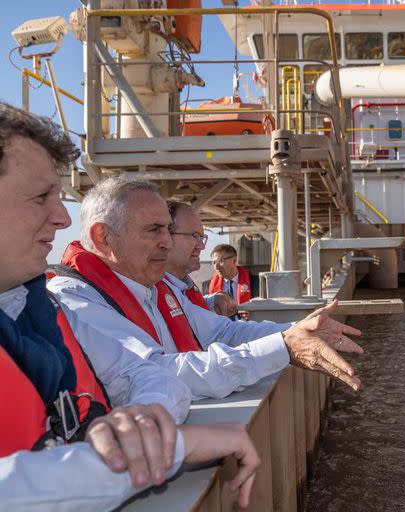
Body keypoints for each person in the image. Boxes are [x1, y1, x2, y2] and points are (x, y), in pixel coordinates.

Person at [0, 101, 259, 510]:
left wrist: (143, 421)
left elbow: (144, 372)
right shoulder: (74, 298)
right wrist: (163, 449)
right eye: (40, 197)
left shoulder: (39, 307)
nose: (61, 218)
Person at [48, 176, 364, 402]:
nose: (167, 242)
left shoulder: (153, 288)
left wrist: (295, 331)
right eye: (154, 230)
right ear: (104, 237)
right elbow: (156, 372)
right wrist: (284, 348)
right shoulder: (76, 300)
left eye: (168, 231)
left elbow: (222, 333)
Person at [207, 243, 256, 319]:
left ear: (234, 260)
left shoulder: (254, 282)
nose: (216, 267)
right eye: (214, 262)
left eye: (221, 261)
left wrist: (253, 313)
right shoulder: (208, 286)